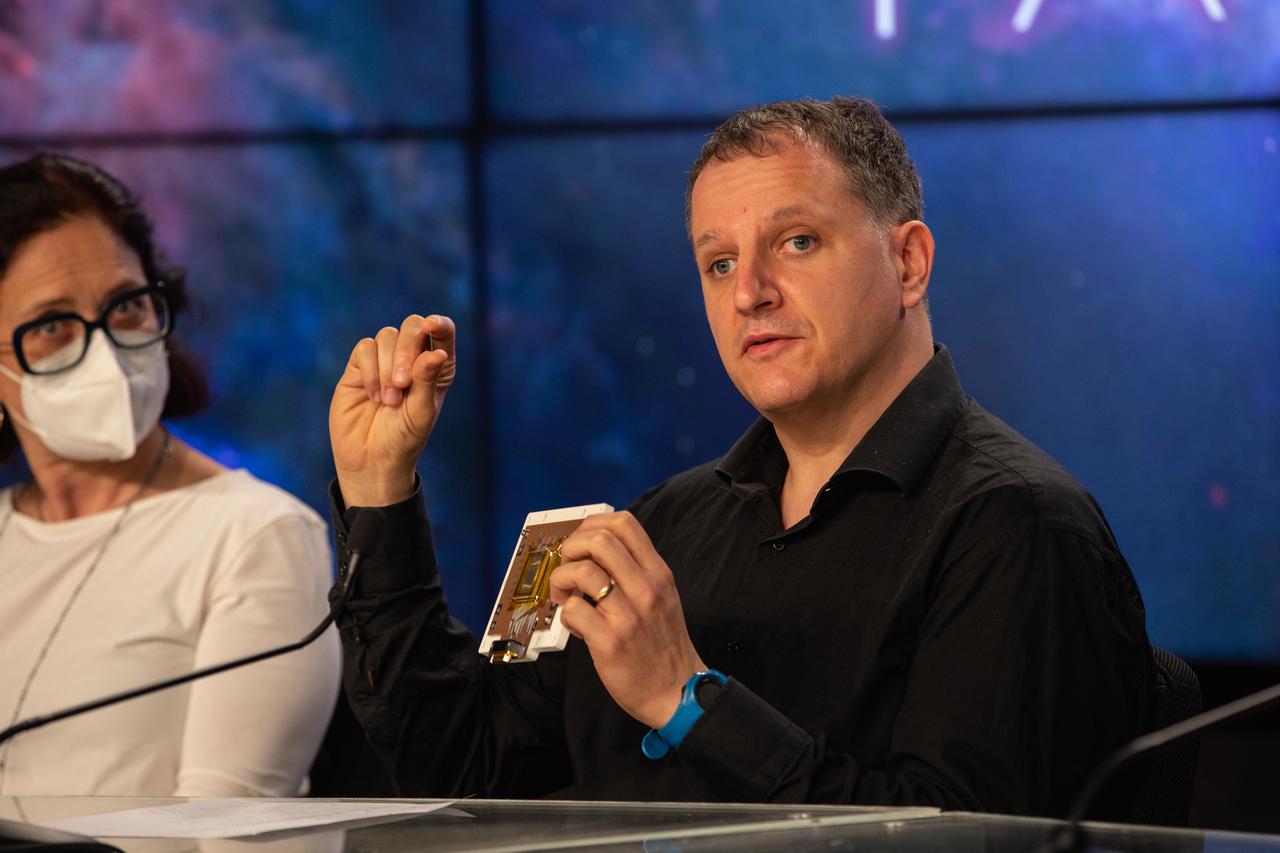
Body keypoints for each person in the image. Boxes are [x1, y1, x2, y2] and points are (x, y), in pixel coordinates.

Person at [327, 97, 1155, 816]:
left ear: (908, 262)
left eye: (796, 242)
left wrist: (687, 702)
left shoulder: (1018, 527)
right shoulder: (666, 523)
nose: (748, 290)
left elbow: (964, 835)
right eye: (718, 262)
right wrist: (378, 494)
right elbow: (461, 761)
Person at [0, 153, 340, 797]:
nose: (101, 349)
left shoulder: (254, 535)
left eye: (126, 306)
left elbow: (228, 829)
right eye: (52, 324)